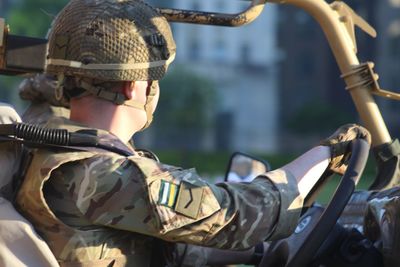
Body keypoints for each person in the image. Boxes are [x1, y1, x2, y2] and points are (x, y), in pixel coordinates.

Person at [14, 0, 371, 266]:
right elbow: (239, 216)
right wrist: (327, 153)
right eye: (154, 78)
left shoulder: (38, 136)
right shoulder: (106, 177)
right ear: (132, 87)